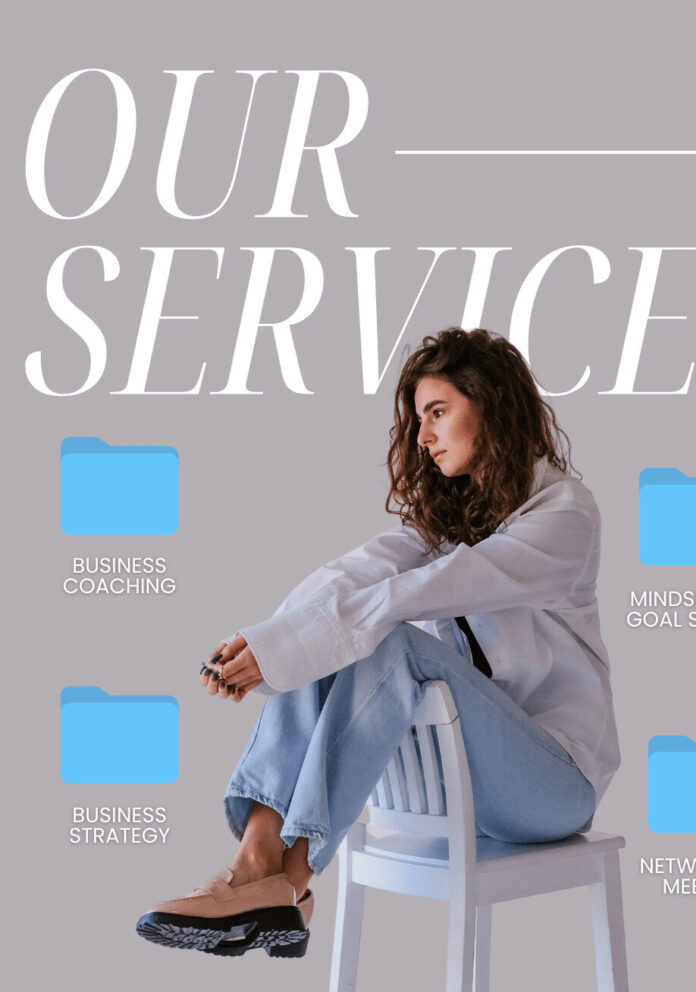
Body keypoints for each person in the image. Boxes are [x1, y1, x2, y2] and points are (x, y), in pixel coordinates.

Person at [136, 327, 620, 957]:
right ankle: (255, 859)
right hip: (468, 787)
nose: (422, 437)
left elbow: (418, 593)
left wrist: (288, 648)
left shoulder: (564, 517)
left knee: (383, 640)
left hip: (555, 788)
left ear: (493, 408)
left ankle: (292, 877)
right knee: (322, 629)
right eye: (420, 419)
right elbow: (351, 576)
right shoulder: (460, 517)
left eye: (439, 413)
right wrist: (264, 643)